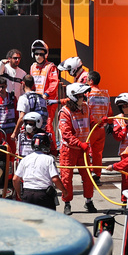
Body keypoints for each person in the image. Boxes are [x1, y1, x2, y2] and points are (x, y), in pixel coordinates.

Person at [57, 82, 95, 216]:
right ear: (73, 97)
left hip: (83, 148)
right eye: (80, 96)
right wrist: (80, 144)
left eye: (82, 95)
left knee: (88, 175)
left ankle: (89, 201)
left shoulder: (85, 107)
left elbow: (90, 121)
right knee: (66, 177)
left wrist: (98, 123)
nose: (82, 98)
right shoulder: (65, 112)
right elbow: (66, 134)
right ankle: (67, 204)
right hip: (69, 150)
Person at [11, 128, 58, 209]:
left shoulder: (25, 159)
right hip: (44, 195)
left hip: (27, 194)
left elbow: (15, 179)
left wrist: (19, 193)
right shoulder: (49, 159)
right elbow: (55, 179)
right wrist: (64, 191)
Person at [29, 39, 61, 124]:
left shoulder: (51, 66)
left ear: (45, 55)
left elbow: (54, 82)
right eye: (36, 54)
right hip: (36, 101)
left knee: (48, 125)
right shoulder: (33, 67)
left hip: (48, 102)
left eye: (41, 54)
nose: (38, 56)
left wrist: (47, 94)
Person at [85, 71, 112, 170]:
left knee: (86, 152)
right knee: (98, 153)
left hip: (90, 128)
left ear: (91, 81)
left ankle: (88, 173)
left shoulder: (88, 94)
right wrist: (110, 123)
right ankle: (97, 174)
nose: (86, 81)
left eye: (87, 79)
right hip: (101, 128)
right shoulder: (105, 94)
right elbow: (110, 112)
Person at [14, 74, 49, 149]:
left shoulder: (23, 98)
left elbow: (21, 118)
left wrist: (14, 133)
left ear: (23, 83)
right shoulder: (42, 98)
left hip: (28, 136)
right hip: (41, 134)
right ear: (33, 84)